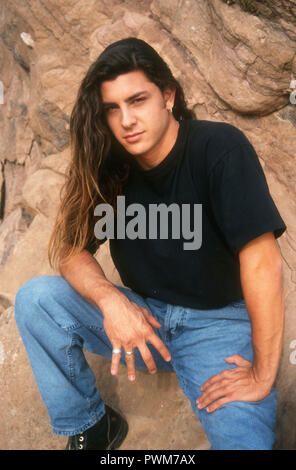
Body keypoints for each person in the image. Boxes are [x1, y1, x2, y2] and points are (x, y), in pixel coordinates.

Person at [14, 37, 287, 450]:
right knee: (36, 299)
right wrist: (112, 302)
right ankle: (92, 425)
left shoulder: (218, 149)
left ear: (168, 95)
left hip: (215, 327)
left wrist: (262, 375)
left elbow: (263, 263)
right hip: (145, 321)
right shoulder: (110, 163)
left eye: (137, 100)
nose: (126, 120)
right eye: (113, 108)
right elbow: (71, 250)